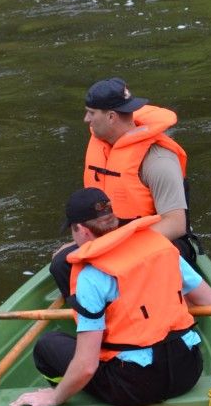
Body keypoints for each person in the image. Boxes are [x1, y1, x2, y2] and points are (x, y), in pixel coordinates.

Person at [12, 190, 211, 406]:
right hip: (187, 370)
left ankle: (65, 393)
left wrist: (54, 397)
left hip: (135, 387)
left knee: (47, 346)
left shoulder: (91, 276)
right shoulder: (161, 247)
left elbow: (87, 365)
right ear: (114, 220)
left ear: (81, 230)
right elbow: (209, 301)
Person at [49, 77, 198, 298]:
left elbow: (176, 225)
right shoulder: (103, 148)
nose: (85, 119)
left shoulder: (158, 160)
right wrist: (81, 243)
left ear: (111, 116)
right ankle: (99, 323)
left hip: (161, 241)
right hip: (114, 236)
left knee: (130, 268)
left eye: (91, 112)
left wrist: (113, 246)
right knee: (61, 264)